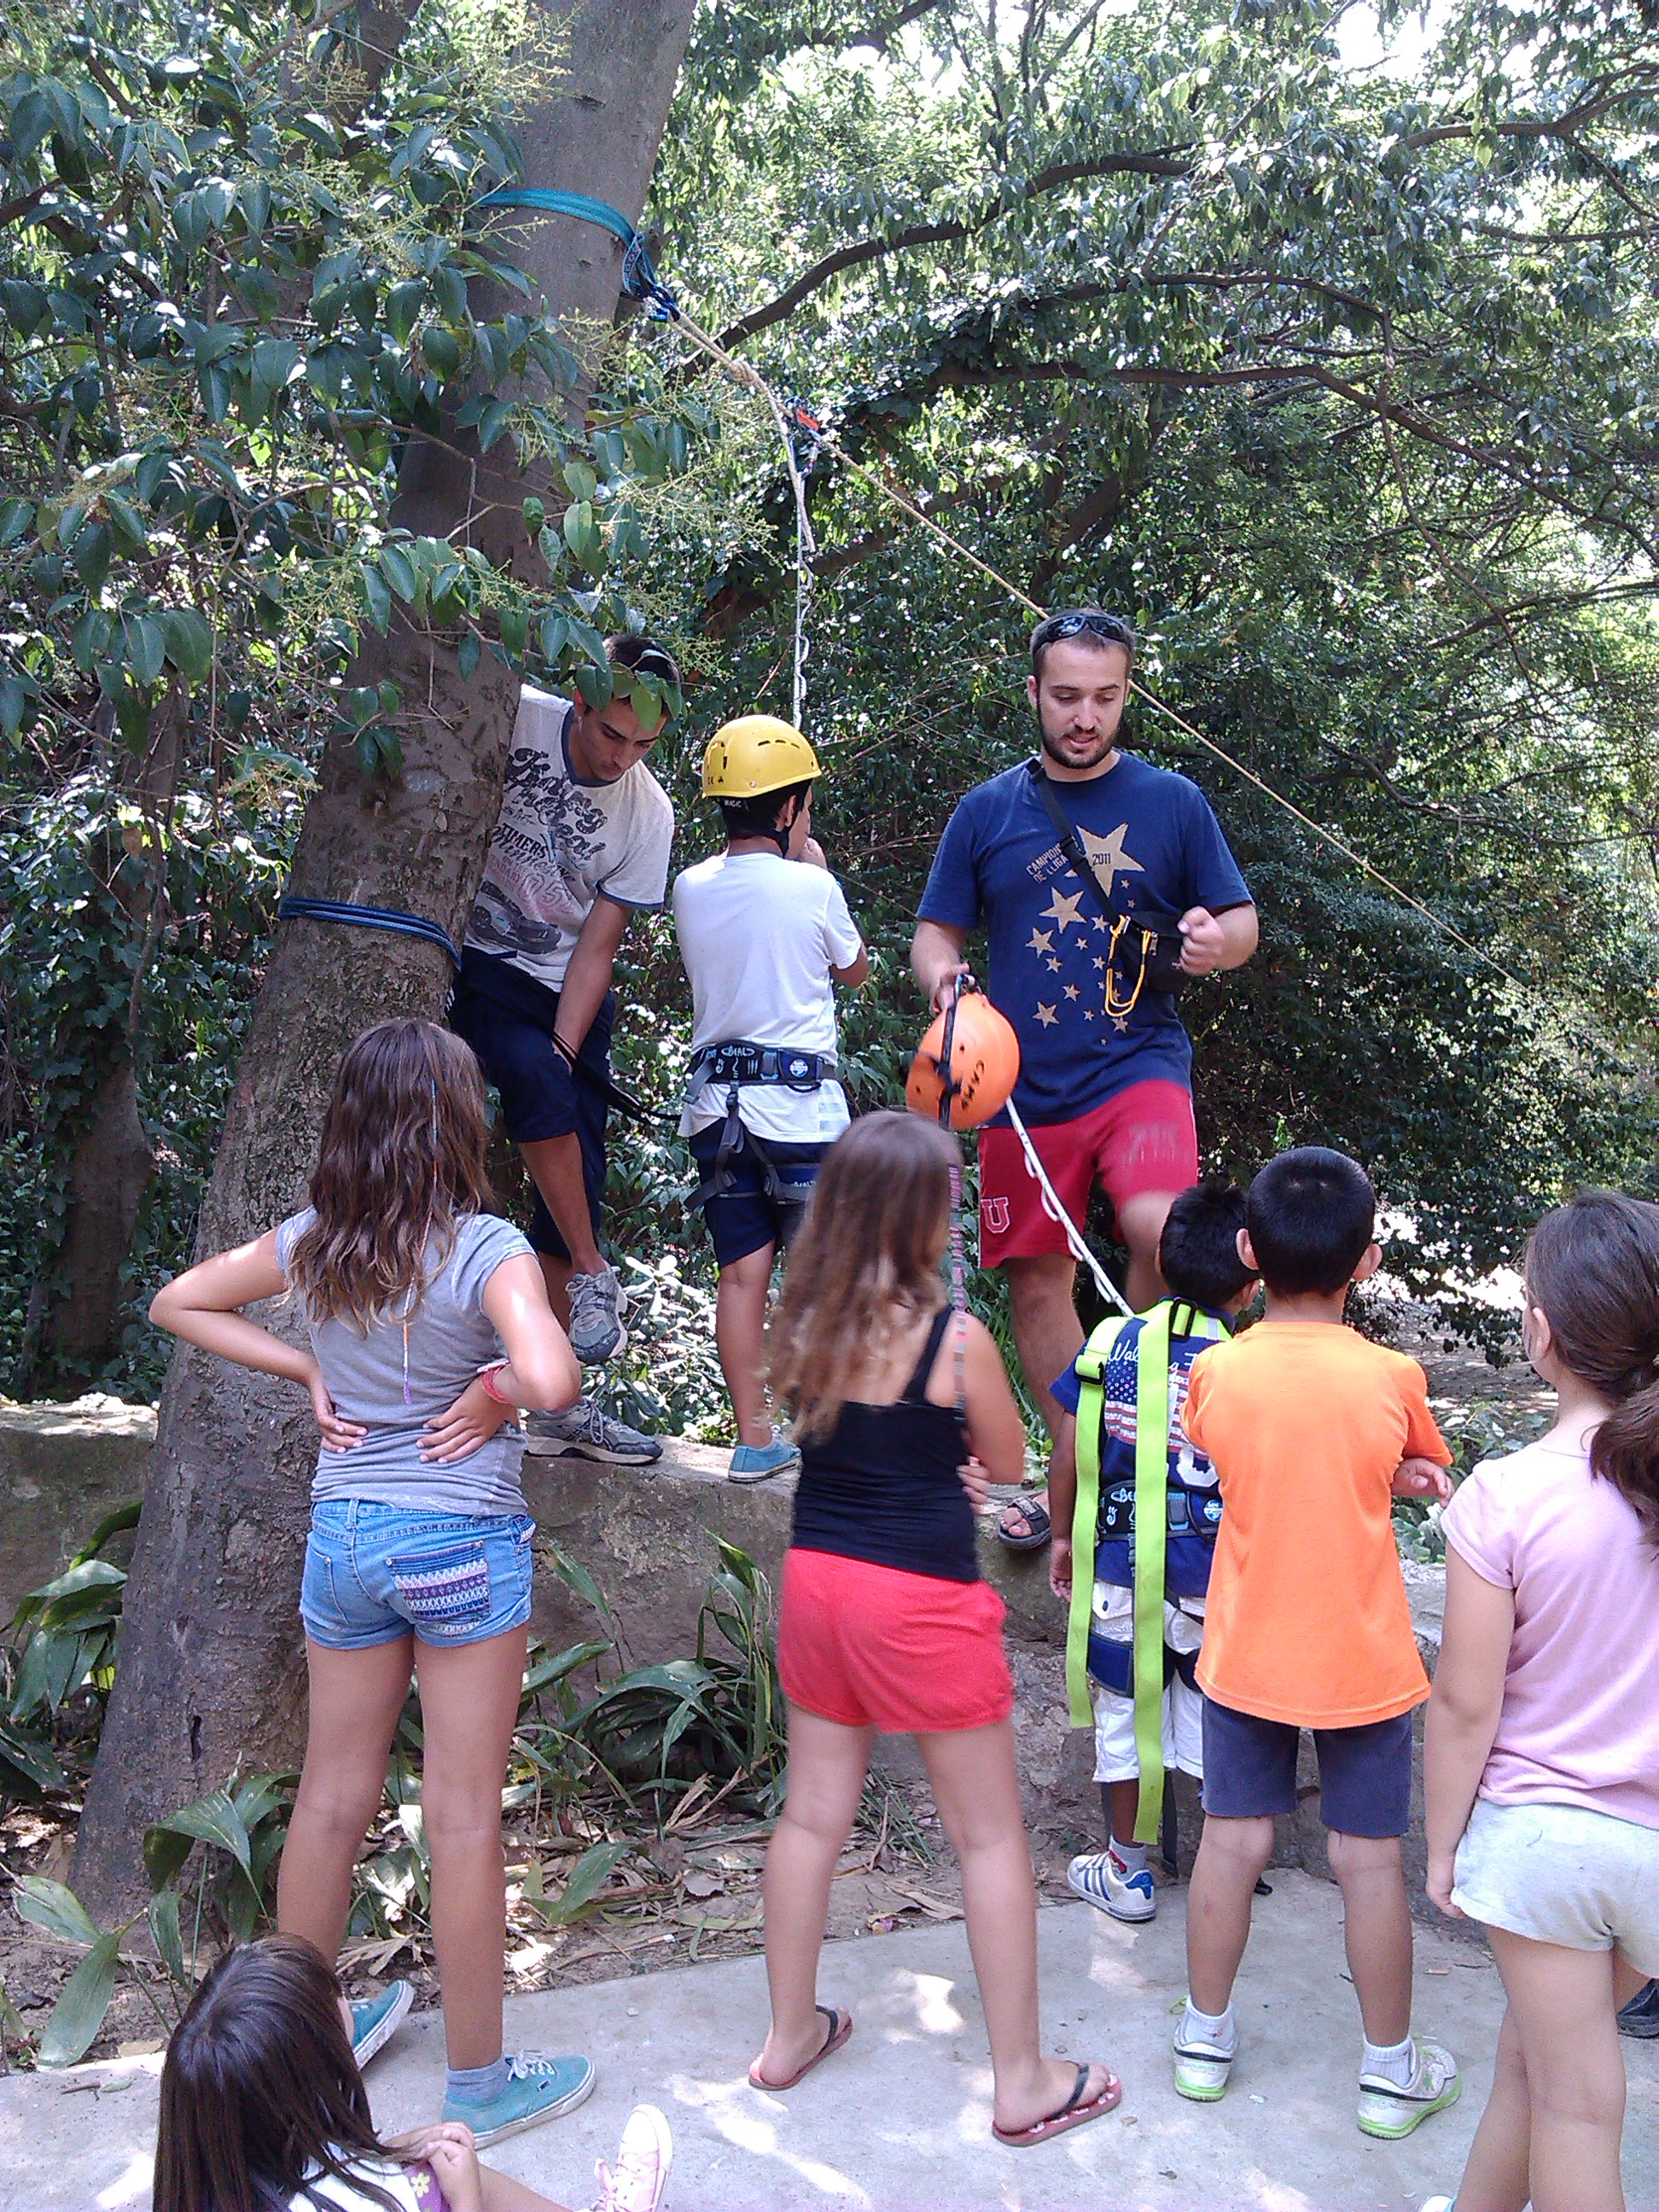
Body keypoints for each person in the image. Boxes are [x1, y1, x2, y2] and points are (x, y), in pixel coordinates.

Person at [150, 1020, 593, 2145]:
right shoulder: (486, 1247)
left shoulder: (315, 1242)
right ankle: (481, 2086)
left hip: (345, 1539)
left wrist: (304, 1365)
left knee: (330, 1800)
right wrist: (492, 1392)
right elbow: (551, 1375)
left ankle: (297, 2054)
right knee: (461, 1816)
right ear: (459, 1123)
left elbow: (179, 1301)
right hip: (459, 1545)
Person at [754, 1111, 1121, 2146]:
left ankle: (788, 2035)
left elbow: (834, 1436)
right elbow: (1005, 1462)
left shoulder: (804, 1323)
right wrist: (960, 1464)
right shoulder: (956, 1340)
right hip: (918, 1598)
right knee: (989, 1836)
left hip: (817, 1583)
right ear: (921, 1214)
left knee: (810, 1818)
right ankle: (1023, 2080)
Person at [910, 608, 1257, 1552]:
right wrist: (944, 981)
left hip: (1140, 1063)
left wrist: (1216, 943)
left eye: (1104, 698)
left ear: (1126, 695)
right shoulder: (987, 811)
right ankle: (1083, 1466)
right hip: (1016, 1089)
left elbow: (1240, 922)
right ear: (1034, 693)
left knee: (1163, 1232)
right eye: (1066, 696)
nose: (1085, 716)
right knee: (1036, 1284)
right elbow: (935, 933)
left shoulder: (1174, 801)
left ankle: (1157, 1432)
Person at [1173, 1146, 1460, 2137]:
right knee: (1365, 1861)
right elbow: (1408, 1460)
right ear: (1366, 1262)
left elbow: (1229, 1450)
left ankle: (1202, 2042)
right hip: (1361, 1659)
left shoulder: (1217, 1368)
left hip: (1245, 1649)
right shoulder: (1392, 1373)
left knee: (1233, 1840)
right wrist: (1400, 1477)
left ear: (1249, 1252)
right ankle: (1389, 2072)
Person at [1420, 1190, 1659, 2212]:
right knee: (1534, 2058)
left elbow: (1464, 1705)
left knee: (1577, 2105)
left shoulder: (1507, 1494)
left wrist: (1442, 1849)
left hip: (1548, 1851)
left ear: (1542, 1331)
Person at [451, 635, 682, 1470]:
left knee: (576, 1166)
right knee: (523, 1090)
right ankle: (590, 1272)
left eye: (644, 745)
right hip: (474, 964)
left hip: (562, 984)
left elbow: (597, 950)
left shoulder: (650, 813)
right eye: (612, 733)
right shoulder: (516, 717)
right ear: (580, 701)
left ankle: (560, 1404)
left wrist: (564, 1047)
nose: (623, 757)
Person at [1047, 1179, 1259, 1922]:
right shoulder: (1247, 1364)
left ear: (1161, 1262)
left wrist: (1064, 1540)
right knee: (1212, 1719)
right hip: (1214, 1586)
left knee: (1124, 1718)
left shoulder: (1113, 1343)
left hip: (1119, 1572)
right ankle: (1227, 1868)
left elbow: (1069, 1451)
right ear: (1252, 1278)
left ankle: (1126, 1871)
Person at [672, 716, 868, 1481]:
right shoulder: (812, 885)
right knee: (823, 1277)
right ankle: (829, 1435)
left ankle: (756, 1438)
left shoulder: (689, 888)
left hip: (716, 1112)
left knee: (741, 1275)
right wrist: (816, 867)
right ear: (787, 809)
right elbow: (853, 970)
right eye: (805, 805)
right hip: (801, 1111)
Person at [153, 1934, 672, 2212]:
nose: (347, 2005)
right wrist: (463, 2199)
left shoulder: (212, 2170)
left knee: (432, 2160)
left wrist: (384, 2151)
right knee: (441, 2178)